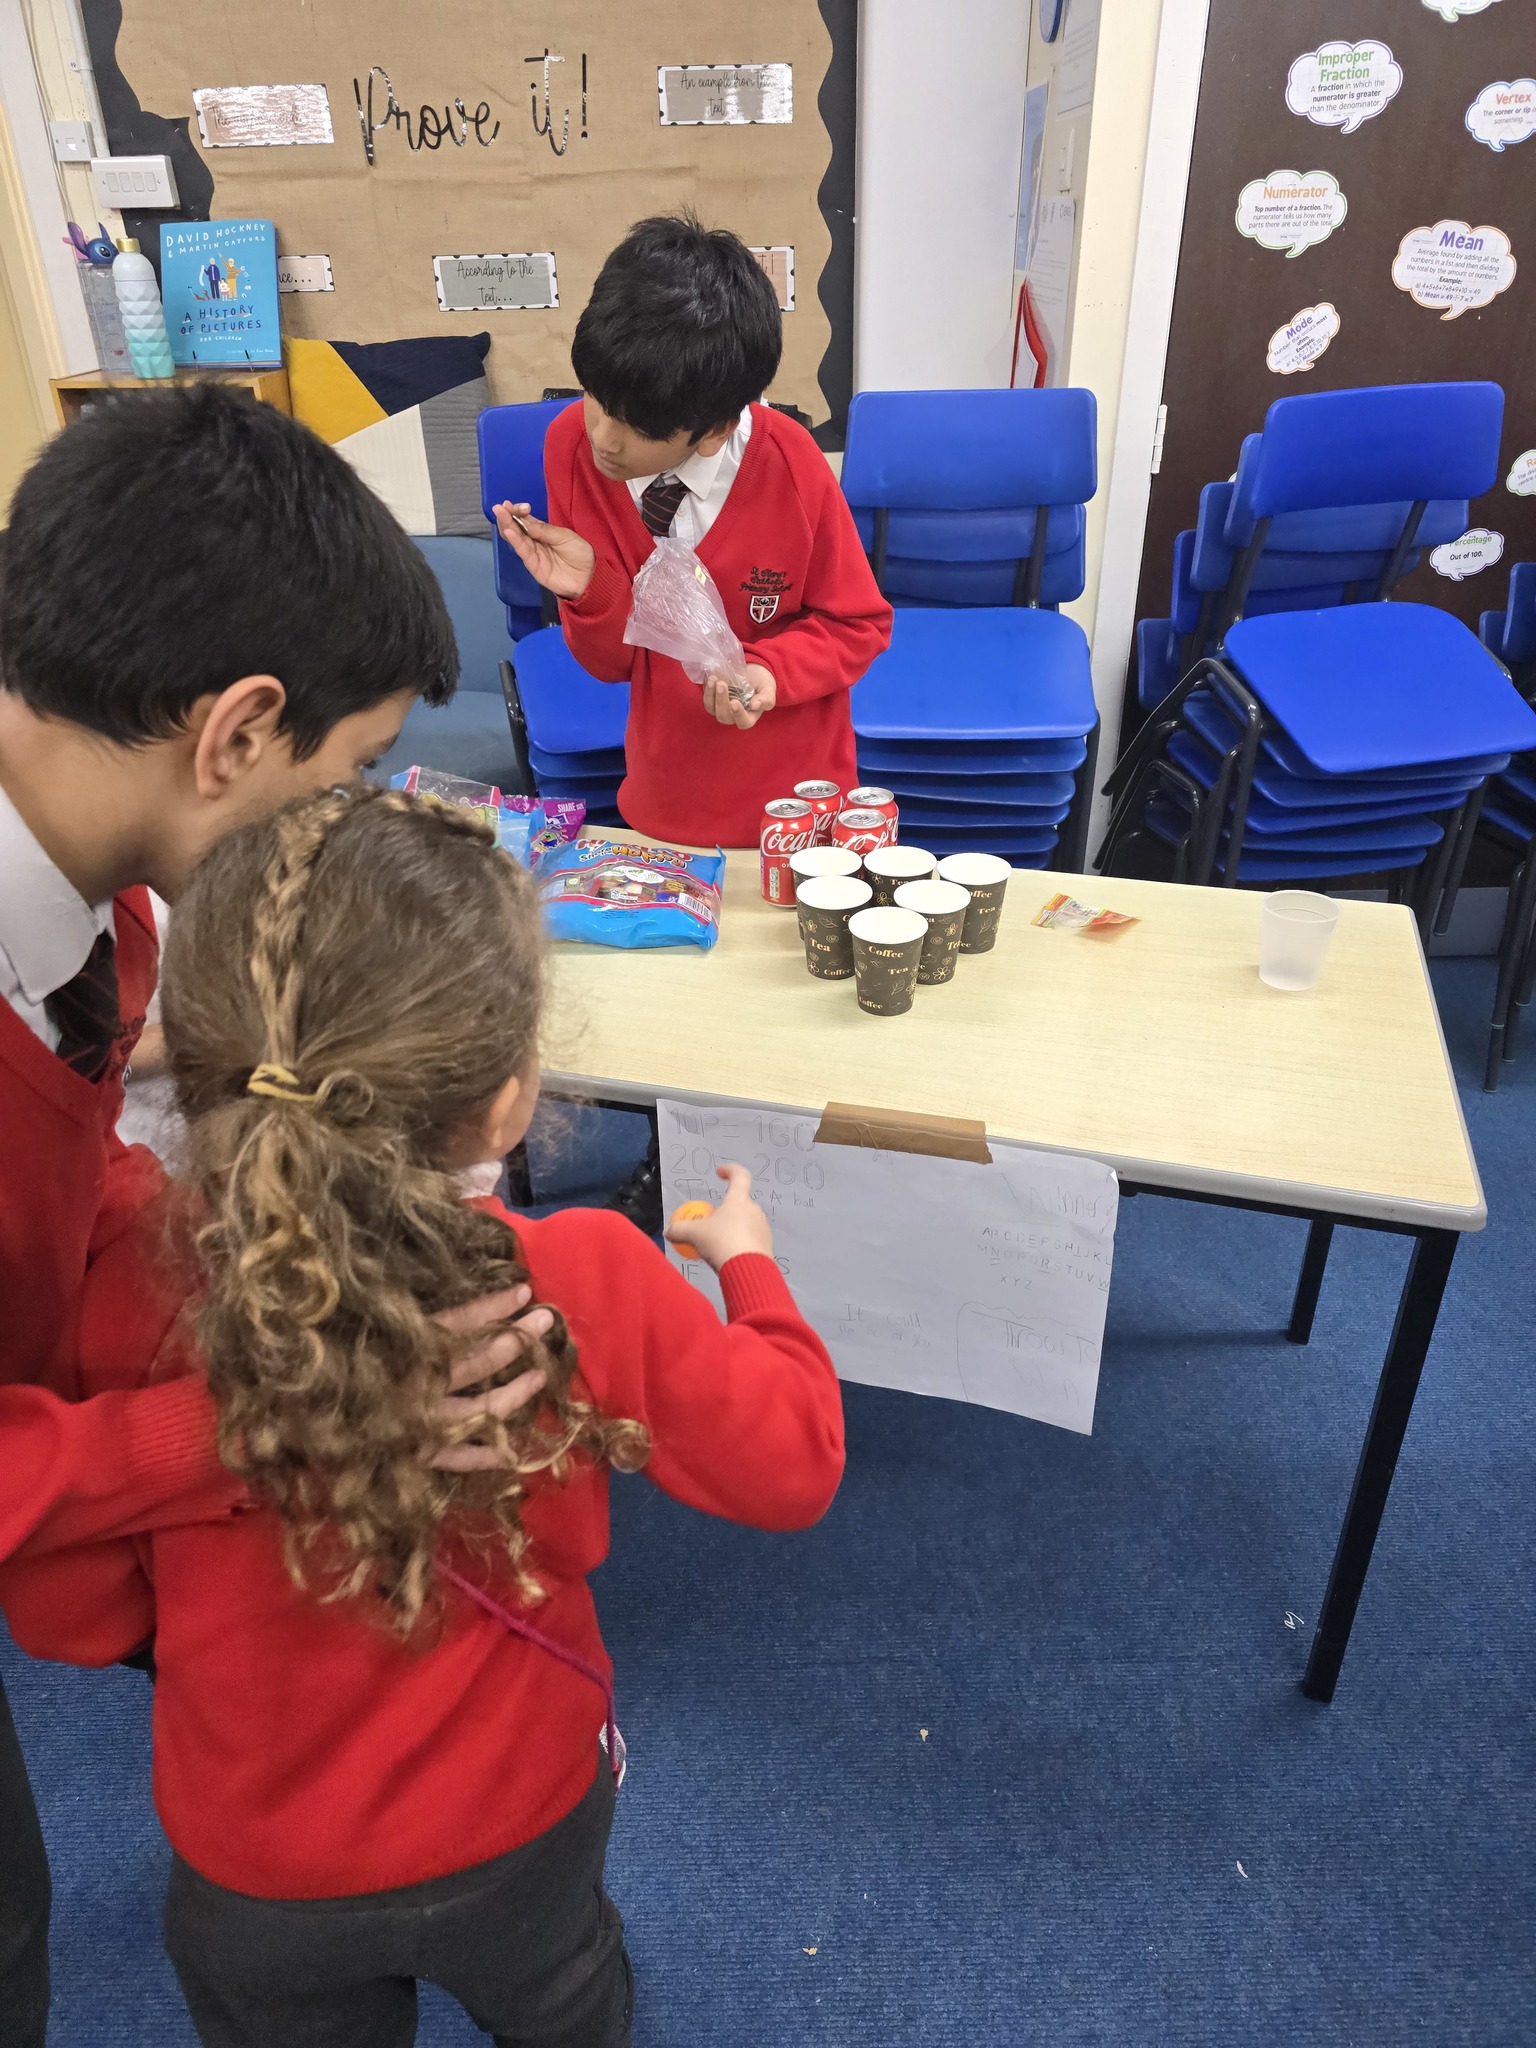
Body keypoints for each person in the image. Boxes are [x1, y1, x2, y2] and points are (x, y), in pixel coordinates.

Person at [0, 786, 845, 2046]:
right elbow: (792, 1460)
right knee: (566, 1995)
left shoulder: (125, 1292)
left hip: (256, 1857)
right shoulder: (582, 1271)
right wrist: (751, 1269)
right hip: (524, 1803)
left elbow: (73, 1616)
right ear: (506, 1101)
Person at [0, 386, 546, 2046]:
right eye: (350, 769)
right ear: (237, 731)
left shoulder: (98, 911)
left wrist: (233, 1245)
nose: (345, 815)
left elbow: (68, 1149)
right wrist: (257, 1417)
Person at [492, 213, 893, 848]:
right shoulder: (570, 446)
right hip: (667, 795)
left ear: (715, 429)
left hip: (798, 807)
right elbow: (614, 665)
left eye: (637, 427)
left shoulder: (791, 464)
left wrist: (769, 671)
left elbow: (858, 625)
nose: (603, 438)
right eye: (595, 396)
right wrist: (591, 591)